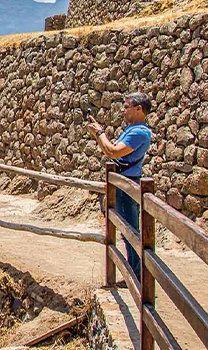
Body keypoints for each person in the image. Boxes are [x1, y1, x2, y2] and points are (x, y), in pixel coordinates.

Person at [86, 92, 153, 281]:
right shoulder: (133, 130)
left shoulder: (139, 132)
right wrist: (99, 133)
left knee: (130, 230)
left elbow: (113, 152)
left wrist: (99, 133)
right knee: (126, 229)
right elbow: (111, 150)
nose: (123, 111)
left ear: (138, 109)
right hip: (124, 182)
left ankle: (137, 275)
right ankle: (135, 273)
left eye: (126, 107)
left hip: (127, 184)